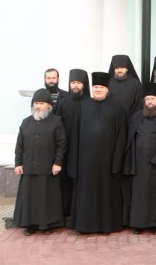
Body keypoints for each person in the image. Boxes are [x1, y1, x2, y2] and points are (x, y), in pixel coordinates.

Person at [67, 72, 127, 234]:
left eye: (101, 87)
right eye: (95, 87)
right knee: (87, 193)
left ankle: (106, 226)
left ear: (107, 89)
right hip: (86, 161)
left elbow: (121, 136)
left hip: (108, 160)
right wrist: (75, 162)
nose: (98, 90)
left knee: (107, 193)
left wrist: (117, 161)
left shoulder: (117, 108)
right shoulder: (83, 106)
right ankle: (85, 226)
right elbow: (75, 135)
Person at [13, 89, 66, 235]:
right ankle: (30, 225)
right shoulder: (25, 122)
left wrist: (57, 163)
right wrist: (18, 164)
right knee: (30, 198)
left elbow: (61, 144)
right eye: (36, 103)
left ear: (48, 105)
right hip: (29, 167)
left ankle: (47, 225)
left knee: (46, 198)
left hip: (47, 167)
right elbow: (19, 145)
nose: (38, 106)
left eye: (41, 103)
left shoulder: (56, 122)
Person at [124, 83, 156, 234]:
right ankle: (139, 224)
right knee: (139, 193)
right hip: (139, 163)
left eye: (153, 99)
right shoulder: (136, 117)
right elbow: (130, 140)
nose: (150, 101)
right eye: (147, 99)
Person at [54, 69, 89, 221]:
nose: (75, 85)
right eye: (73, 82)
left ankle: (79, 211)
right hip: (66, 147)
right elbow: (57, 125)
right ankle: (65, 211)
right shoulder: (63, 103)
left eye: (79, 83)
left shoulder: (89, 102)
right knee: (65, 179)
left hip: (84, 147)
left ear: (84, 85)